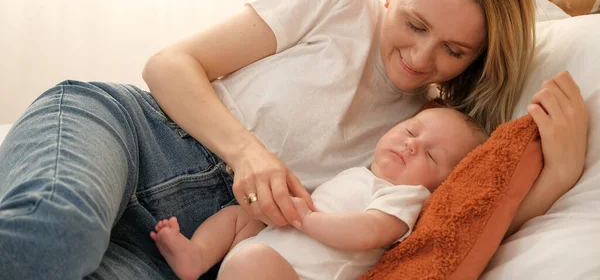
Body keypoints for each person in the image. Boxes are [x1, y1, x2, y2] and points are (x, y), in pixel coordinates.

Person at [0, 0, 588, 279]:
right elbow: (169, 66)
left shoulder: (432, 138)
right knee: (60, 236)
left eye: (454, 50)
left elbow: (455, 226)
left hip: (195, 247)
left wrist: (559, 174)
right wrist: (250, 154)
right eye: (413, 23)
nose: (420, 57)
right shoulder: (343, 1)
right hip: (134, 132)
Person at [150, 106, 489, 280]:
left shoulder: (405, 196)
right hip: (262, 254)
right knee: (244, 213)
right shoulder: (359, 172)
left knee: (253, 260)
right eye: (410, 131)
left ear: (443, 185)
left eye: (431, 155)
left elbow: (370, 231)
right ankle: (196, 256)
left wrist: (308, 218)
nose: (412, 145)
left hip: (294, 274)